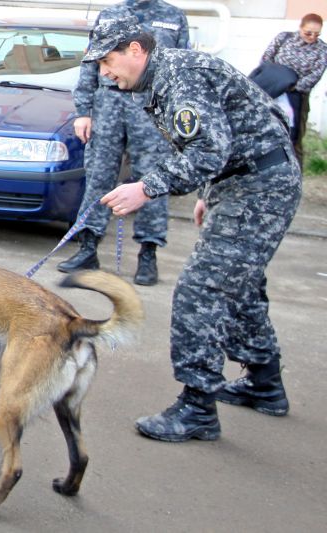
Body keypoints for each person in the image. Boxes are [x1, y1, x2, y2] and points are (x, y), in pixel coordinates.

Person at [84, 16, 301, 442]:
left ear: (135, 51)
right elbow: (237, 127)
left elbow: (207, 148)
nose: (103, 71)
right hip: (245, 180)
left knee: (202, 291)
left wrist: (145, 188)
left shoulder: (180, 77)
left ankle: (197, 408)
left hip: (259, 188)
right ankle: (264, 384)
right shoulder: (168, 73)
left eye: (108, 60)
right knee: (239, 284)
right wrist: (208, 191)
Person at [57, 0, 189, 287]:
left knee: (153, 179)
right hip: (108, 104)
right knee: (99, 177)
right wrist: (83, 111)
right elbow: (91, 62)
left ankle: (148, 253)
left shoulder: (173, 16)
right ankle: (88, 248)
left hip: (151, 107)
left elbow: (181, 69)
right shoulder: (111, 14)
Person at [260, 13, 327, 165]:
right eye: (308, 32)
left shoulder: (322, 50)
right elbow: (267, 58)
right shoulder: (284, 38)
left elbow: (315, 75)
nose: (312, 37)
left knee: (294, 138)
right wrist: (276, 79)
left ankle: (295, 175)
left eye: (316, 34)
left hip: (297, 96)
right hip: (273, 91)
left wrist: (291, 86)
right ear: (300, 28)